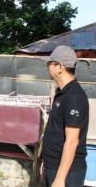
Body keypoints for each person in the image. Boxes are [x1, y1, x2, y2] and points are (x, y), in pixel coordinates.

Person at [42, 45, 89, 187]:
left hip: (67, 173)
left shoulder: (74, 97)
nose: (47, 67)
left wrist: (60, 178)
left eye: (50, 63)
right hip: (54, 166)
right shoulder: (62, 93)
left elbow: (72, 141)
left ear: (60, 67)